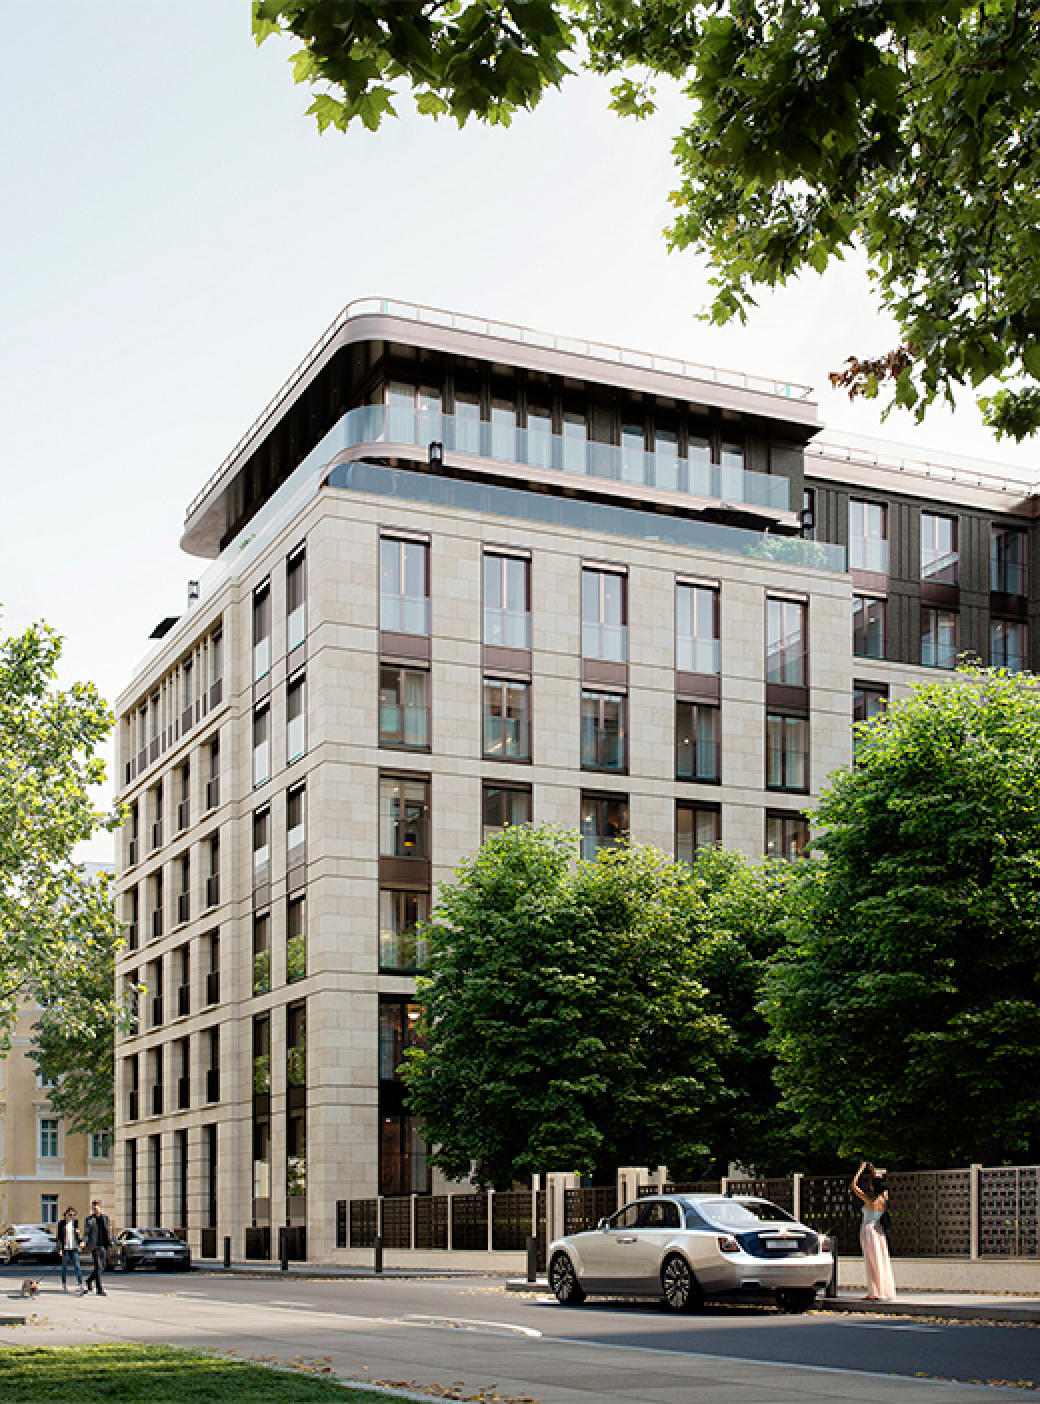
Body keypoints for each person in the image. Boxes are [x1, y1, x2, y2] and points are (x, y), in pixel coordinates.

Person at [852, 1160, 896, 1301]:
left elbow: (853, 1186)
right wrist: (873, 1171)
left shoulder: (869, 1200)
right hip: (879, 1230)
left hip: (868, 1230)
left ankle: (874, 1292)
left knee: (871, 1261)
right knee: (881, 1260)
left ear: (873, 1188)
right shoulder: (884, 1198)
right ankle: (883, 1290)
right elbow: (880, 1185)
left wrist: (861, 1169)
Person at [81, 1198, 111, 1296]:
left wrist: (109, 1242)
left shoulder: (105, 1218)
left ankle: (89, 1280)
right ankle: (99, 1289)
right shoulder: (89, 1219)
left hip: (103, 1245)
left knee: (101, 1267)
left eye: (97, 1207)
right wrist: (84, 1241)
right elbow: (87, 1232)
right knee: (97, 1266)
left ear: (100, 1207)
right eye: (94, 1207)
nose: (95, 1209)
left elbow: (107, 1231)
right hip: (94, 1245)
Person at [59, 1206, 83, 1292]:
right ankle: (64, 1284)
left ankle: (80, 1284)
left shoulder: (75, 1223)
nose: (71, 1217)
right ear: (66, 1214)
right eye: (70, 1215)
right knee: (64, 1267)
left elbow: (77, 1236)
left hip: (74, 1247)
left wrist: (80, 1241)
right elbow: (59, 1238)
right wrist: (60, 1249)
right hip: (65, 1248)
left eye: (73, 1215)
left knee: (77, 1266)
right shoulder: (61, 1224)